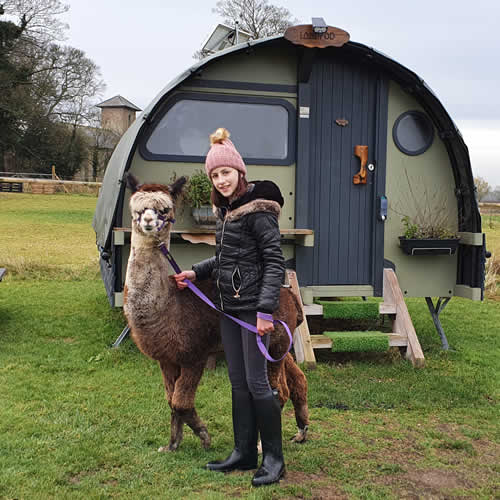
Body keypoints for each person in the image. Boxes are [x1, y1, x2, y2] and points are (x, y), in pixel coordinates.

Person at [173, 127, 286, 487]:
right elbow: (225, 258)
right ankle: (243, 452)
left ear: (240, 172)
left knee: (256, 383)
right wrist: (197, 271)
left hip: (254, 309)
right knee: (238, 382)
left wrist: (266, 311)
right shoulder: (227, 211)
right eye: (215, 174)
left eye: (226, 172)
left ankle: (274, 459)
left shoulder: (258, 212)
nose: (221, 180)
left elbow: (274, 262)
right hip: (229, 307)